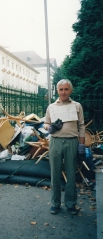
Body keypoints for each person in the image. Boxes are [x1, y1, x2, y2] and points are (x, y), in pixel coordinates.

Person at [44, 79, 85, 215]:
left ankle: (70, 203)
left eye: (66, 89)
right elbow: (45, 123)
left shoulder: (77, 106)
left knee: (71, 174)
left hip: (72, 142)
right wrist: (50, 128)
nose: (63, 92)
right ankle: (55, 203)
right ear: (57, 91)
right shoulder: (52, 107)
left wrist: (81, 144)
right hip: (55, 141)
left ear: (70, 90)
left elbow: (81, 126)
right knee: (55, 174)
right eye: (61, 89)